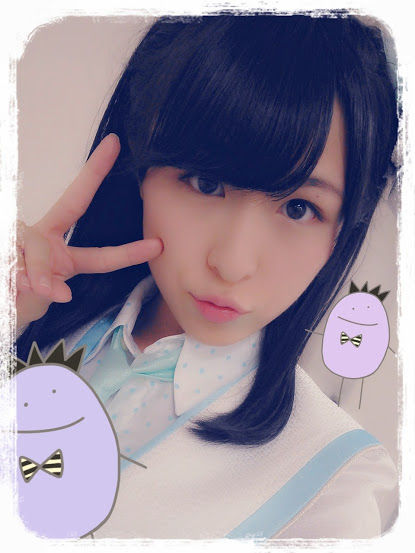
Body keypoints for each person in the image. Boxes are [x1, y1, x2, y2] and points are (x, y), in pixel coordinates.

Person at [15, 14, 398, 539]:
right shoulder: (32, 320)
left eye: (299, 208)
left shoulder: (329, 484)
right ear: (140, 169)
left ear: (342, 228)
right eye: (205, 182)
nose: (233, 263)